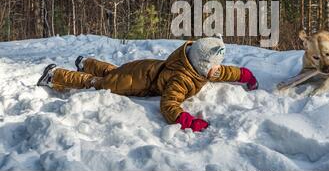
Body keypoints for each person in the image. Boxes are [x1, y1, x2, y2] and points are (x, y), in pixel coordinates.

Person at [36, 36, 258, 132]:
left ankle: (86, 62)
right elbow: (169, 105)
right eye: (214, 67)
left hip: (144, 67)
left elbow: (222, 71)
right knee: (100, 84)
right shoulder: (181, 78)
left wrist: (244, 75)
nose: (218, 70)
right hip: (135, 81)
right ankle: (55, 75)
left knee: (114, 71)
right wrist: (187, 121)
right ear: (201, 65)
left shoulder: (198, 66)